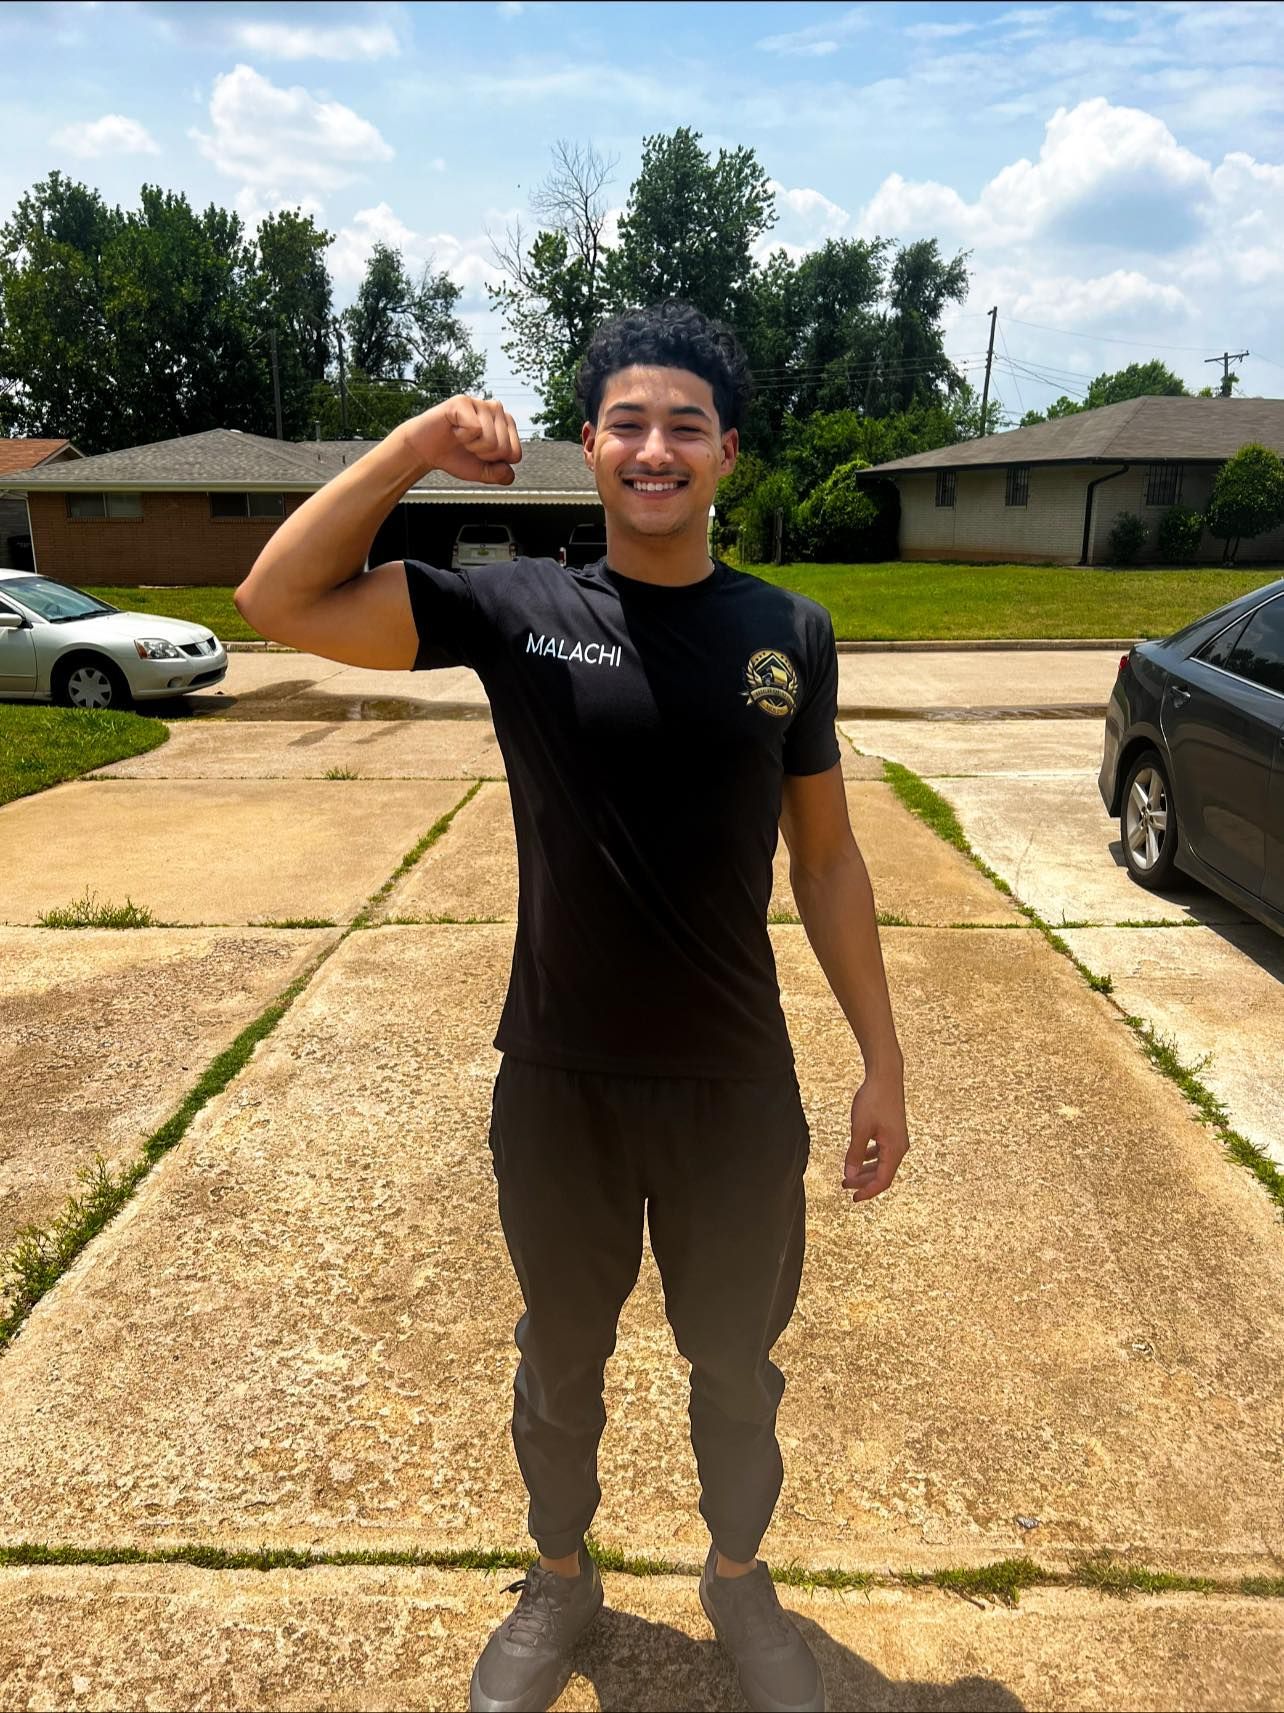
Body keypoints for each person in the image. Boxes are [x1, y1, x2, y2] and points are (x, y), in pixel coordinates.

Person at [235, 300, 910, 1713]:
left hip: (734, 1087)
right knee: (564, 1351)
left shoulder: (790, 631)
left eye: (683, 426)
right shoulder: (521, 608)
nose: (653, 449)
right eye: (625, 422)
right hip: (560, 1078)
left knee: (735, 1361)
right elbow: (276, 600)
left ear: (727, 450)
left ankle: (736, 1576)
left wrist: (882, 1062)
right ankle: (559, 1575)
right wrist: (418, 443)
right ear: (588, 446)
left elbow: (829, 857)